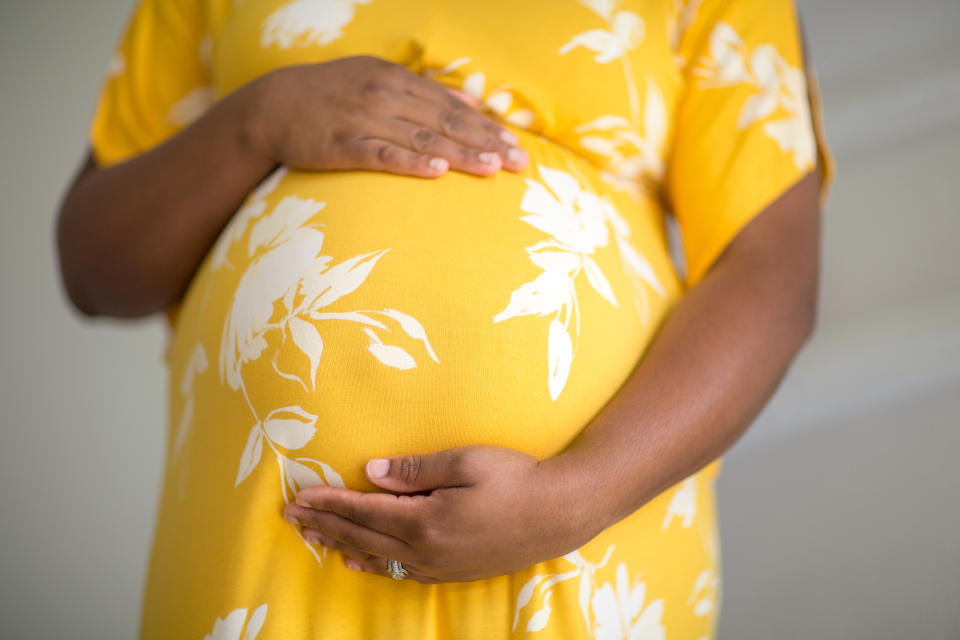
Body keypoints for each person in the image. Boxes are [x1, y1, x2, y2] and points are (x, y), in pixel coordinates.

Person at [56, 0, 833, 637]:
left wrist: (576, 495)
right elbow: (92, 266)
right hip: (265, 556)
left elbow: (772, 272)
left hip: (581, 550)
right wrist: (256, 122)